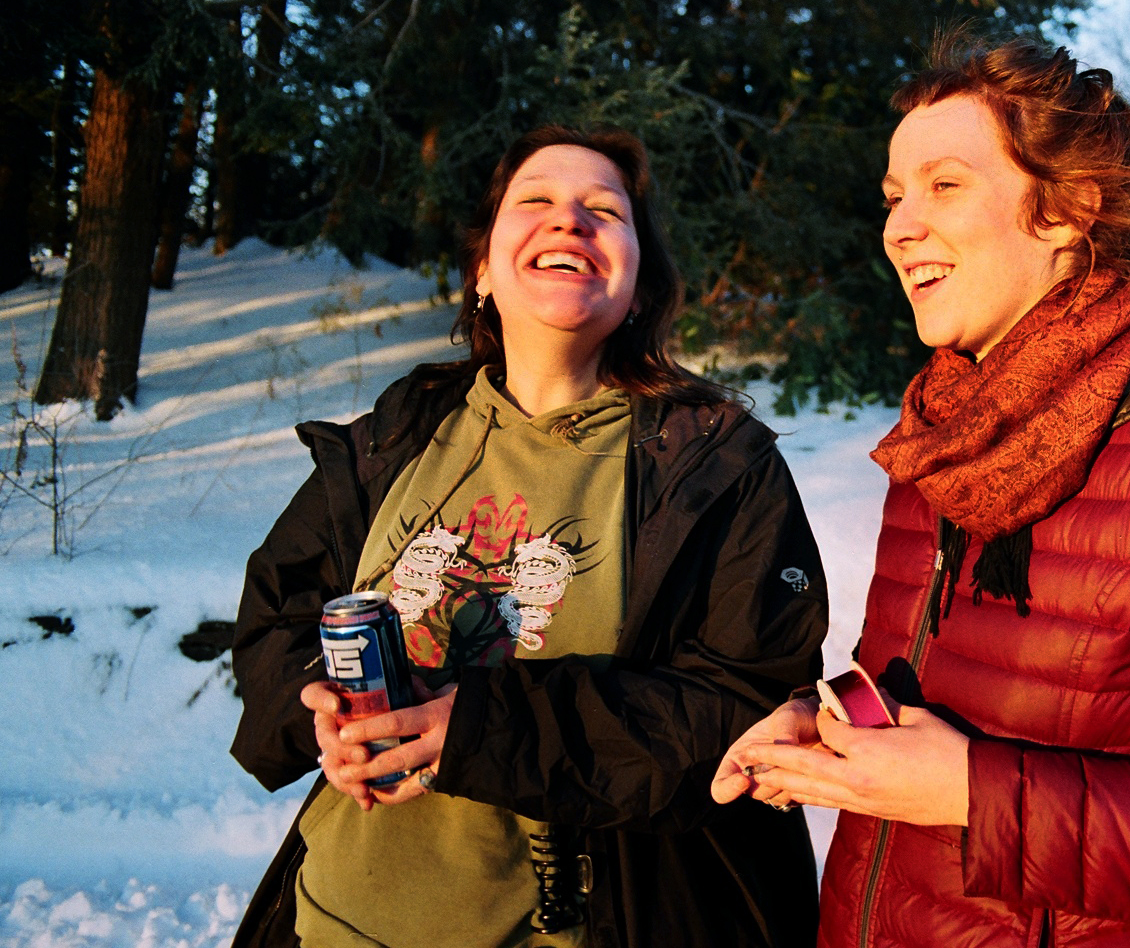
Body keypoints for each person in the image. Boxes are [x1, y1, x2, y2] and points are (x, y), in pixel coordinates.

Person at [710, 36, 1130, 948]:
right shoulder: (946, 437)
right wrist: (832, 725)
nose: (901, 226)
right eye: (894, 197)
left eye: (944, 185)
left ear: (1068, 210)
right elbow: (963, 689)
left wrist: (971, 794)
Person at [227, 125, 830, 947]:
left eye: (603, 211)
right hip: (331, 922)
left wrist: (479, 730)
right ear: (482, 267)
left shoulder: (716, 467)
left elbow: (742, 707)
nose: (568, 221)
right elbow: (277, 624)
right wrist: (320, 708)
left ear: (642, 282)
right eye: (536, 201)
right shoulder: (391, 443)